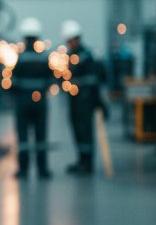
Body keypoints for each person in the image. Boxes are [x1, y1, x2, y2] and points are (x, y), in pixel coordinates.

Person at [60, 20, 107, 175]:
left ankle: (88, 163)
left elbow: (94, 80)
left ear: (77, 39)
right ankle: (81, 160)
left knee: (85, 131)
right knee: (77, 130)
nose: (70, 43)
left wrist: (99, 102)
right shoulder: (68, 57)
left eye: (71, 40)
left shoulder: (87, 56)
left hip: (85, 100)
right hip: (74, 100)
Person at [11, 17, 54, 179]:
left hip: (22, 101)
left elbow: (12, 82)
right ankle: (42, 170)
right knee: (41, 135)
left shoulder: (20, 58)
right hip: (40, 101)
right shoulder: (44, 57)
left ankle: (23, 170)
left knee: (23, 137)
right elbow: (51, 79)